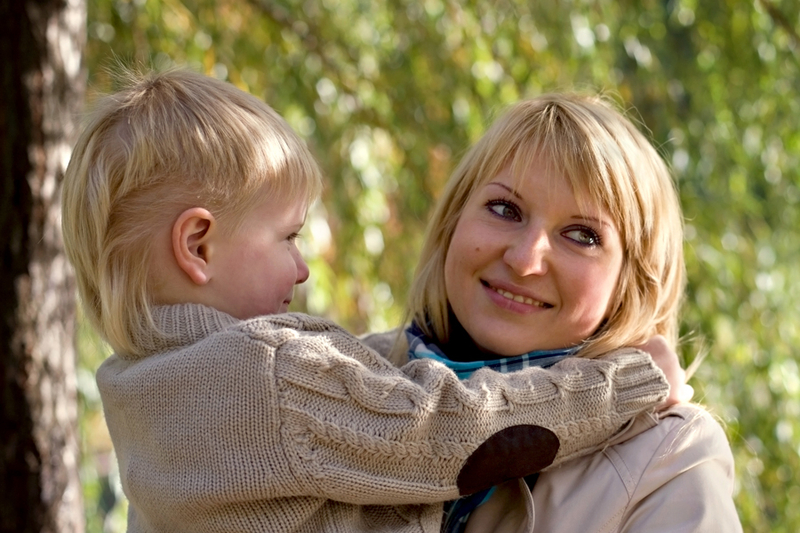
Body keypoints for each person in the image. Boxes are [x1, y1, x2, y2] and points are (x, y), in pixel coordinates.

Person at [61, 68, 684, 532]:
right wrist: (624, 383)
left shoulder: (137, 388)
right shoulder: (273, 377)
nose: (303, 268)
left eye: (582, 235)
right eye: (288, 238)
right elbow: (446, 430)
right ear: (198, 245)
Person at [364, 93, 742, 532]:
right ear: (453, 221)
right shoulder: (347, 374)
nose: (525, 260)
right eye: (505, 209)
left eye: (581, 236)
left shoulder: (671, 458)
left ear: (631, 282)